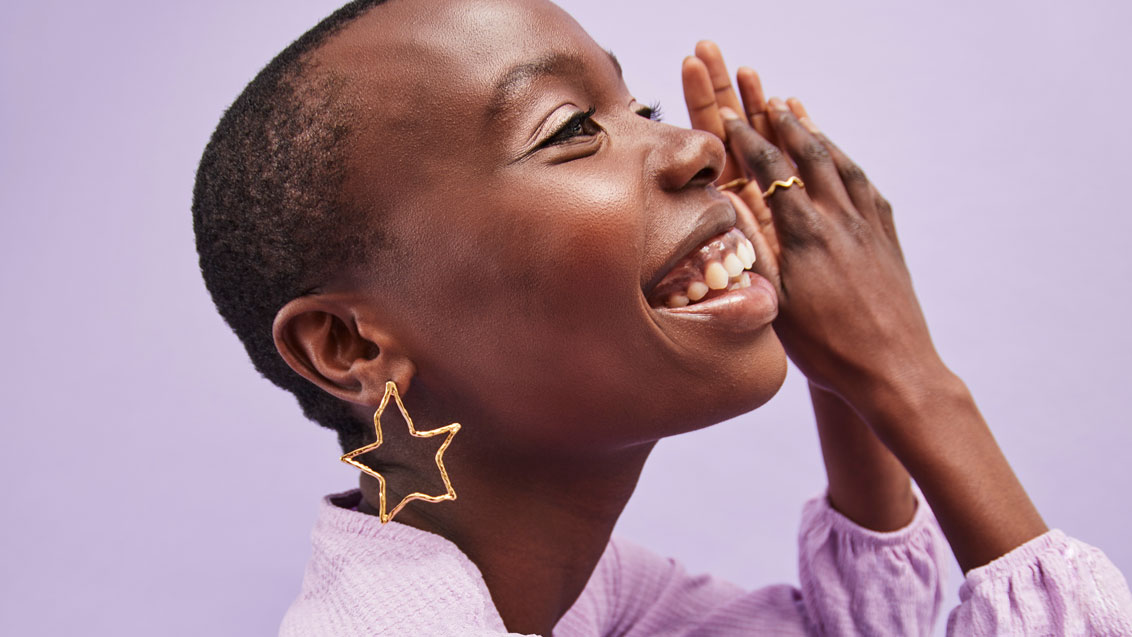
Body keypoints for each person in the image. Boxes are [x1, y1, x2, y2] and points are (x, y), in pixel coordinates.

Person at [191, 0, 1132, 634]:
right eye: (569, 129)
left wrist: (853, 380)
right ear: (350, 345)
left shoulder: (568, 592)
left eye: (633, 102)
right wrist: (916, 385)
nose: (692, 147)